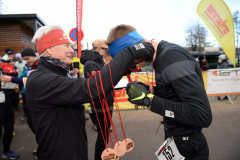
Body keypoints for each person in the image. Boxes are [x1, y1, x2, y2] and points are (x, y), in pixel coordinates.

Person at [25, 25, 154, 160]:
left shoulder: (59, 75)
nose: (71, 50)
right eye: (67, 45)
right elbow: (91, 88)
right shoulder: (40, 80)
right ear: (49, 49)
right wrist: (130, 53)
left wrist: (125, 68)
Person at [105, 24, 212, 160]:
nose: (131, 67)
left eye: (129, 61)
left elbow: (201, 115)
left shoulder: (172, 58)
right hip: (176, 139)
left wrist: (148, 100)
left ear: (135, 49)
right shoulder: (161, 57)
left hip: (189, 147)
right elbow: (174, 94)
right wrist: (147, 90)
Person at [0, 48, 39, 156]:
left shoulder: (39, 65)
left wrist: (12, 84)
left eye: (27, 58)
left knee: (10, 129)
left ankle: (6, 151)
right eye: (24, 59)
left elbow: (31, 81)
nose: (26, 61)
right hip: (7, 103)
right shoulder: (32, 66)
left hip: (9, 103)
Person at [81, 39, 113, 160]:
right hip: (100, 105)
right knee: (103, 136)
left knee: (104, 136)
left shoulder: (98, 61)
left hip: (106, 102)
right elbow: (100, 84)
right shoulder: (90, 64)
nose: (106, 53)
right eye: (105, 50)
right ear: (99, 49)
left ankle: (102, 156)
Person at [0, 63, 19, 159]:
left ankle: (6, 151)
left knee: (9, 129)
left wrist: (14, 91)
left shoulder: (3, 72)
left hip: (7, 104)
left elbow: (9, 88)